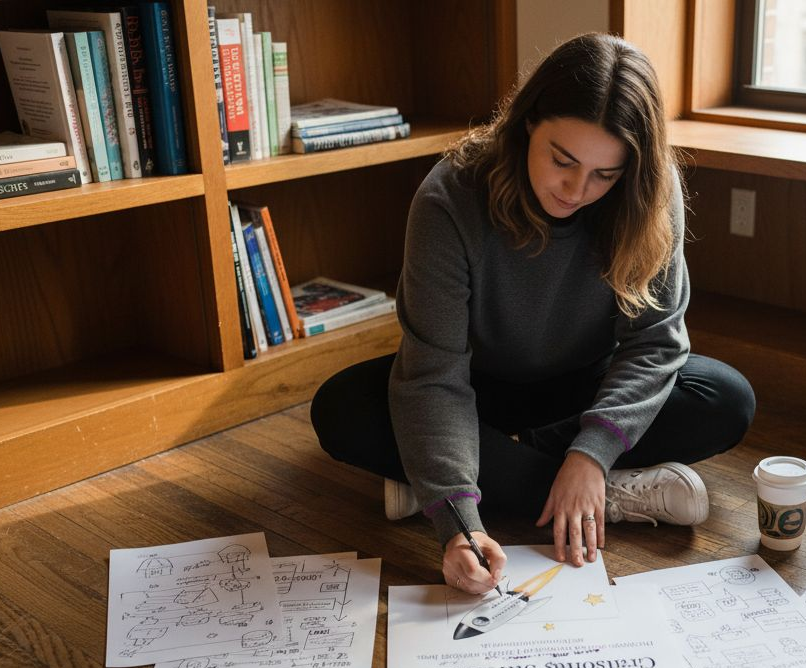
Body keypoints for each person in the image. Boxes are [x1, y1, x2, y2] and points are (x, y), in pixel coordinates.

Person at [310, 32, 755, 595]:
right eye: (561, 159)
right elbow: (433, 376)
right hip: (476, 387)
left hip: (588, 387)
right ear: (526, 124)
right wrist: (458, 525)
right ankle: (607, 498)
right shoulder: (449, 200)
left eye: (604, 175)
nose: (575, 189)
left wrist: (591, 452)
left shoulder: (651, 188)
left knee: (726, 398)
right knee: (343, 408)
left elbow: (656, 343)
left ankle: (464, 477)